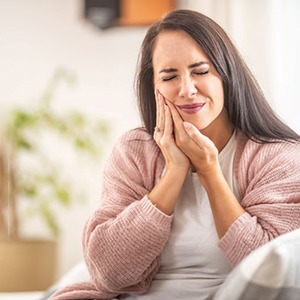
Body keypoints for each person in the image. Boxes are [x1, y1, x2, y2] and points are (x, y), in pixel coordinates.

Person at [50, 9, 300, 300]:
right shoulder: (134, 151)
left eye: (201, 71)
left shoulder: (278, 158)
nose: (187, 89)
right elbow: (109, 273)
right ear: (153, 86)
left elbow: (273, 272)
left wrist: (209, 171)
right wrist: (173, 172)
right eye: (170, 76)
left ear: (226, 75)